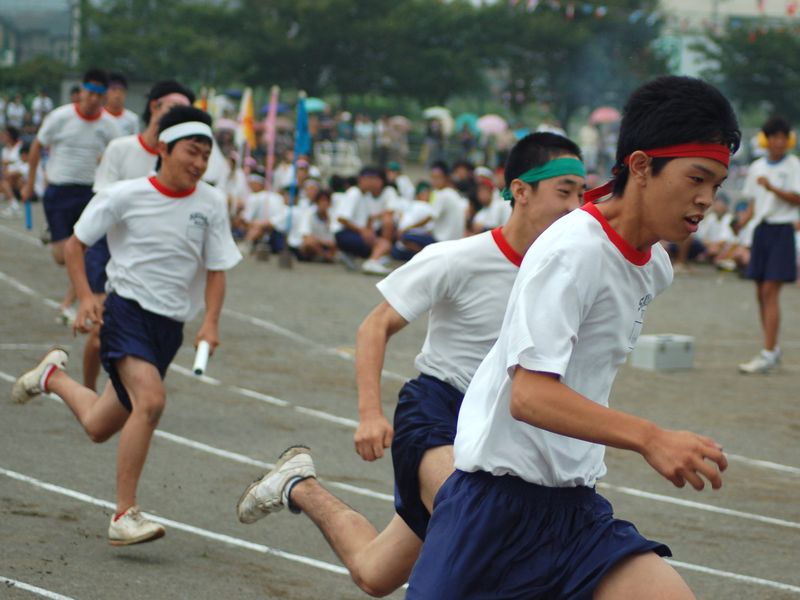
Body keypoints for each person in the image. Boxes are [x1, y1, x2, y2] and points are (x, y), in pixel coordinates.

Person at [404, 76, 739, 600]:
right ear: (642, 166)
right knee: (375, 573)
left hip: (575, 511)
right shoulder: (571, 252)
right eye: (697, 178)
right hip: (492, 511)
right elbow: (530, 396)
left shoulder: (655, 266)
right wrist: (651, 437)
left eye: (717, 185)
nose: (706, 199)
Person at [235, 132, 587, 597]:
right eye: (564, 192)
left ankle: (297, 483)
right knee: (478, 525)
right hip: (438, 413)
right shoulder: (457, 259)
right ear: (520, 191)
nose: (576, 206)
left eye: (582, 194)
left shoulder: (568, 275)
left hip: (502, 432)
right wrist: (369, 414)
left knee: (374, 572)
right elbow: (373, 327)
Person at [11, 105, 241, 546]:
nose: (198, 163)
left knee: (99, 426)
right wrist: (85, 297)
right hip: (126, 312)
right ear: (162, 149)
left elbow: (217, 269)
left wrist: (210, 323)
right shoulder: (124, 195)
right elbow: (77, 245)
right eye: (191, 152)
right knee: (150, 401)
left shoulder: (211, 202)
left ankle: (52, 378)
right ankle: (124, 514)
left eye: (206, 156)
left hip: (168, 326)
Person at [82, 80, 195, 391]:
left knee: (131, 344)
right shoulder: (121, 149)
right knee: (98, 332)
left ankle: (112, 399)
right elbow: (102, 207)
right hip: (110, 248)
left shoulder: (186, 159)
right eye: (173, 108)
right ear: (154, 106)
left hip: (150, 257)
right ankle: (89, 389)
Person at [21, 68, 121, 322]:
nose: (94, 99)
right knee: (62, 256)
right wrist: (29, 183)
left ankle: (71, 304)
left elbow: (118, 155)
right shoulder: (60, 117)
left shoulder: (110, 126)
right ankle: (72, 296)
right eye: (91, 92)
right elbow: (36, 146)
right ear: (82, 91)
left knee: (84, 250)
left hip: (91, 191)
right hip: (59, 190)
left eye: (100, 94)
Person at [737, 116, 800, 374]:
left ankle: (767, 351)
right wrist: (741, 223)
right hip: (761, 231)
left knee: (769, 291)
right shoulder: (757, 167)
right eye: (773, 137)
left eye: (782, 137)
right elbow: (753, 203)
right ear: (765, 140)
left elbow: (797, 199)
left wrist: (772, 188)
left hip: (782, 230)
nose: (778, 142)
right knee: (760, 291)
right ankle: (771, 349)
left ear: (788, 140)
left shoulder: (794, 165)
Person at [104, 72, 140, 136]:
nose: (117, 95)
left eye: (121, 90)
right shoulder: (99, 116)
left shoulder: (132, 119)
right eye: (113, 90)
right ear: (105, 92)